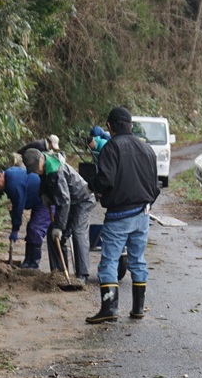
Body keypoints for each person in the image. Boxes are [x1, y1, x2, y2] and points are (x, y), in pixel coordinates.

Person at [86, 106, 160, 323]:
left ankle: (109, 308)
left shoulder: (112, 147)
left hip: (119, 215)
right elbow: (156, 185)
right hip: (143, 215)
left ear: (109, 126)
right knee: (138, 260)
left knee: (109, 261)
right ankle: (138, 309)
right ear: (131, 126)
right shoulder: (147, 149)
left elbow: (105, 180)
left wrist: (93, 186)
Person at [22, 147, 95, 282]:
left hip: (82, 200)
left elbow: (64, 201)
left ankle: (82, 275)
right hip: (69, 202)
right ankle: (59, 273)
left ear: (41, 159)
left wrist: (59, 227)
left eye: (36, 168)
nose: (37, 171)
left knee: (78, 232)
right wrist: (43, 194)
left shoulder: (56, 171)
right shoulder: (44, 166)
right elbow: (44, 181)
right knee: (52, 235)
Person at [0, 165, 51, 269]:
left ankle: (33, 264)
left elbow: (19, 205)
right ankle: (28, 261)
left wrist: (15, 229)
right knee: (31, 228)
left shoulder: (13, 182)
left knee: (35, 229)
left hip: (46, 199)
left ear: (0, 175)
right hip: (38, 199)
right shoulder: (9, 176)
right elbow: (16, 202)